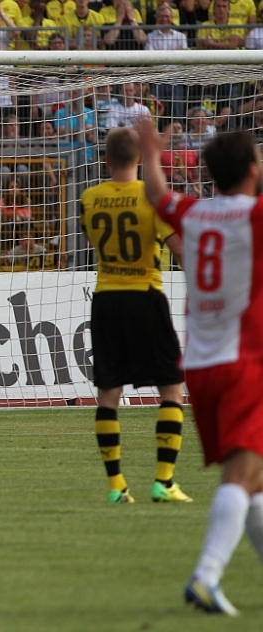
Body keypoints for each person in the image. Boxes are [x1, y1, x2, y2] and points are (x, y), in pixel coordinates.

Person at [135, 117, 263, 617]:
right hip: (244, 364)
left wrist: (150, 155)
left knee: (255, 481)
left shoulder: (195, 213)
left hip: (202, 367)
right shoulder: (254, 218)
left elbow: (158, 197)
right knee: (241, 475)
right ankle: (206, 575)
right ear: (253, 168)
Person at [79, 126, 189, 505]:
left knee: (108, 393)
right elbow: (179, 250)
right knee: (171, 388)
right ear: (140, 158)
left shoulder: (89, 198)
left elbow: (92, 238)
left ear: (106, 160)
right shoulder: (151, 199)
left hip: (107, 298)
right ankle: (163, 481)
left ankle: (116, 486)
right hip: (145, 294)